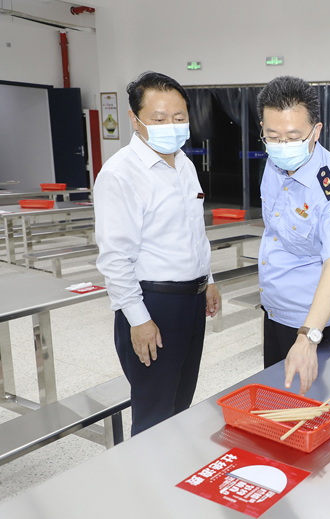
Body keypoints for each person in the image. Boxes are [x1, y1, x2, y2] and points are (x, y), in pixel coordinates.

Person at [95, 71, 221, 436]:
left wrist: (207, 280)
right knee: (153, 413)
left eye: (179, 118)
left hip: (191, 302)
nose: (172, 126)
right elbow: (115, 258)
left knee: (180, 404)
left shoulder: (184, 163)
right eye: (159, 118)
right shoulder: (120, 174)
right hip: (154, 305)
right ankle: (145, 488)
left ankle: (170, 478)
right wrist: (138, 319)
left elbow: (195, 232)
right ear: (135, 120)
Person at [256, 76, 330, 395]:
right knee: (276, 402)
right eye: (272, 136)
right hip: (274, 308)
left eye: (292, 136)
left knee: (309, 412)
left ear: (316, 131)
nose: (281, 145)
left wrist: (308, 336)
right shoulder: (274, 162)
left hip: (310, 320)